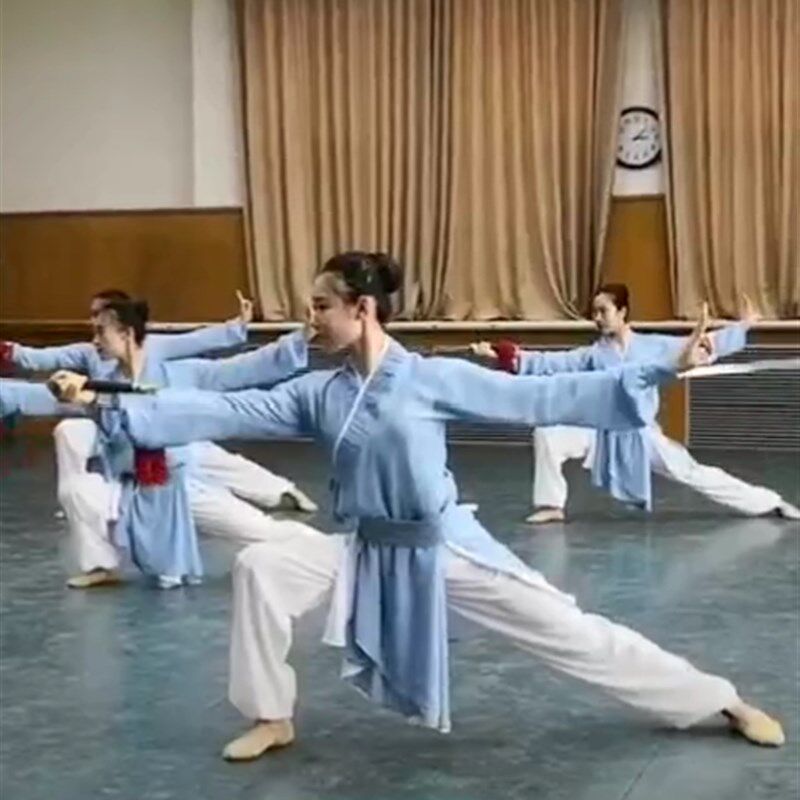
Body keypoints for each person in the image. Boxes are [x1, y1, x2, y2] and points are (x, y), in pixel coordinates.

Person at [51, 252, 784, 757]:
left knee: (573, 632)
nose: (310, 319)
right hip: (363, 548)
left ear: (363, 308)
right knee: (263, 568)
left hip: (442, 550)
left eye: (321, 306)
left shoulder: (429, 378)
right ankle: (272, 715)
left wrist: (661, 366)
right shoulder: (317, 392)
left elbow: (542, 397)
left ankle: (717, 700)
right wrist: (106, 402)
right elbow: (225, 408)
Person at [1, 298, 321, 588]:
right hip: (132, 488)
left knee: (260, 531)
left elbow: (242, 368)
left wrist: (302, 336)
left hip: (179, 482)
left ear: (126, 333)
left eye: (101, 332)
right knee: (78, 490)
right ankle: (102, 565)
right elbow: (40, 397)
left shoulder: (179, 373)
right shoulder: (102, 385)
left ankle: (325, 550)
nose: (95, 341)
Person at [471, 284, 800, 524]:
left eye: (603, 311)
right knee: (548, 434)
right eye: (594, 312)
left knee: (693, 472)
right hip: (600, 430)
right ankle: (551, 505)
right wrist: (503, 354)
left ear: (622, 312)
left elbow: (702, 343)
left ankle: (769, 503)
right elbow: (549, 363)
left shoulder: (653, 346)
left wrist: (745, 324)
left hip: (641, 433)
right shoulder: (591, 355)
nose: (597, 318)